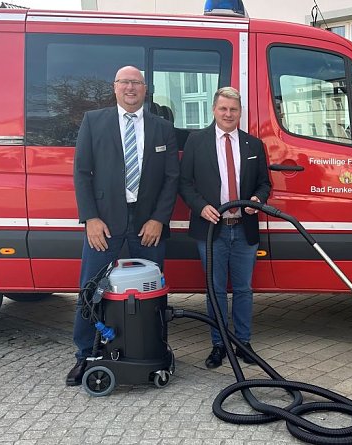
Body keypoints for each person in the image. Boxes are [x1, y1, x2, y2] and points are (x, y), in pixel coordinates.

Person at [66, 66, 180, 386]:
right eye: (125, 82)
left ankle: (155, 351)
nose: (131, 88)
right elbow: (82, 173)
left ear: (146, 89)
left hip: (149, 224)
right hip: (104, 222)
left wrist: (159, 218)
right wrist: (90, 218)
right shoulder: (94, 121)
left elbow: (172, 179)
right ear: (115, 87)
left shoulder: (162, 127)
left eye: (136, 83)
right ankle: (84, 356)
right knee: (91, 290)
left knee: (153, 291)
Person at [179, 86, 271, 369]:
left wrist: (258, 199)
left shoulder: (254, 145)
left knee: (243, 289)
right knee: (215, 290)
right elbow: (184, 183)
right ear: (214, 111)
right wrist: (200, 206)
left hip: (244, 228)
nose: (228, 114)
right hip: (211, 229)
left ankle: (243, 342)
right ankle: (218, 345)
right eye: (223, 109)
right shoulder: (196, 141)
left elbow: (265, 183)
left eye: (233, 109)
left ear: (240, 112)